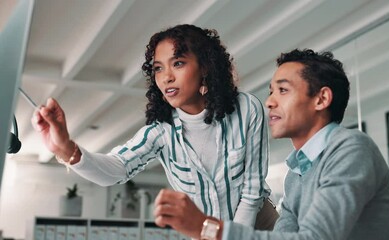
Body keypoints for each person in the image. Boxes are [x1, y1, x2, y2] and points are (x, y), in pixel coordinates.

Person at [32, 24, 278, 229]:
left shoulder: (246, 108)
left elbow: (252, 190)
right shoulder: (160, 132)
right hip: (208, 231)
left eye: (178, 63)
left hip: (261, 223)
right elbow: (116, 169)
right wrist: (65, 148)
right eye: (158, 68)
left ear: (205, 66)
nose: (166, 76)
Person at [153, 49, 389, 240]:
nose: (269, 102)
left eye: (282, 90)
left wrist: (206, 227)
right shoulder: (296, 174)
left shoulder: (351, 149)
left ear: (321, 99)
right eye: (271, 92)